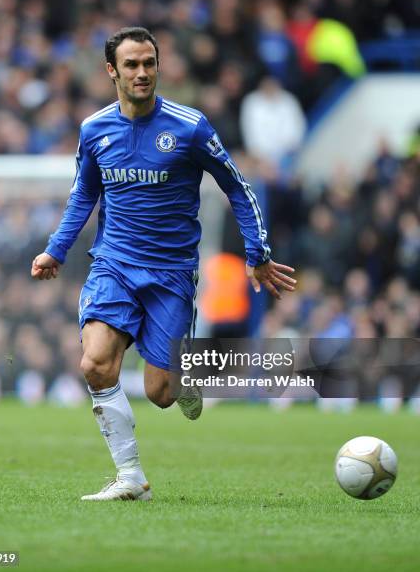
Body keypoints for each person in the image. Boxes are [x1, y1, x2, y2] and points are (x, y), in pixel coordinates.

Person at [31, 26, 296, 502]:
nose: (142, 72)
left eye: (149, 63)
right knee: (95, 364)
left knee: (161, 393)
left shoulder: (190, 127)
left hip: (171, 273)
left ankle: (185, 376)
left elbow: (237, 187)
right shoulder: (94, 129)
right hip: (113, 264)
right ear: (111, 70)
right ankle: (131, 477)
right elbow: (83, 195)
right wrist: (56, 249)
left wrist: (257, 254)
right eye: (131, 64)